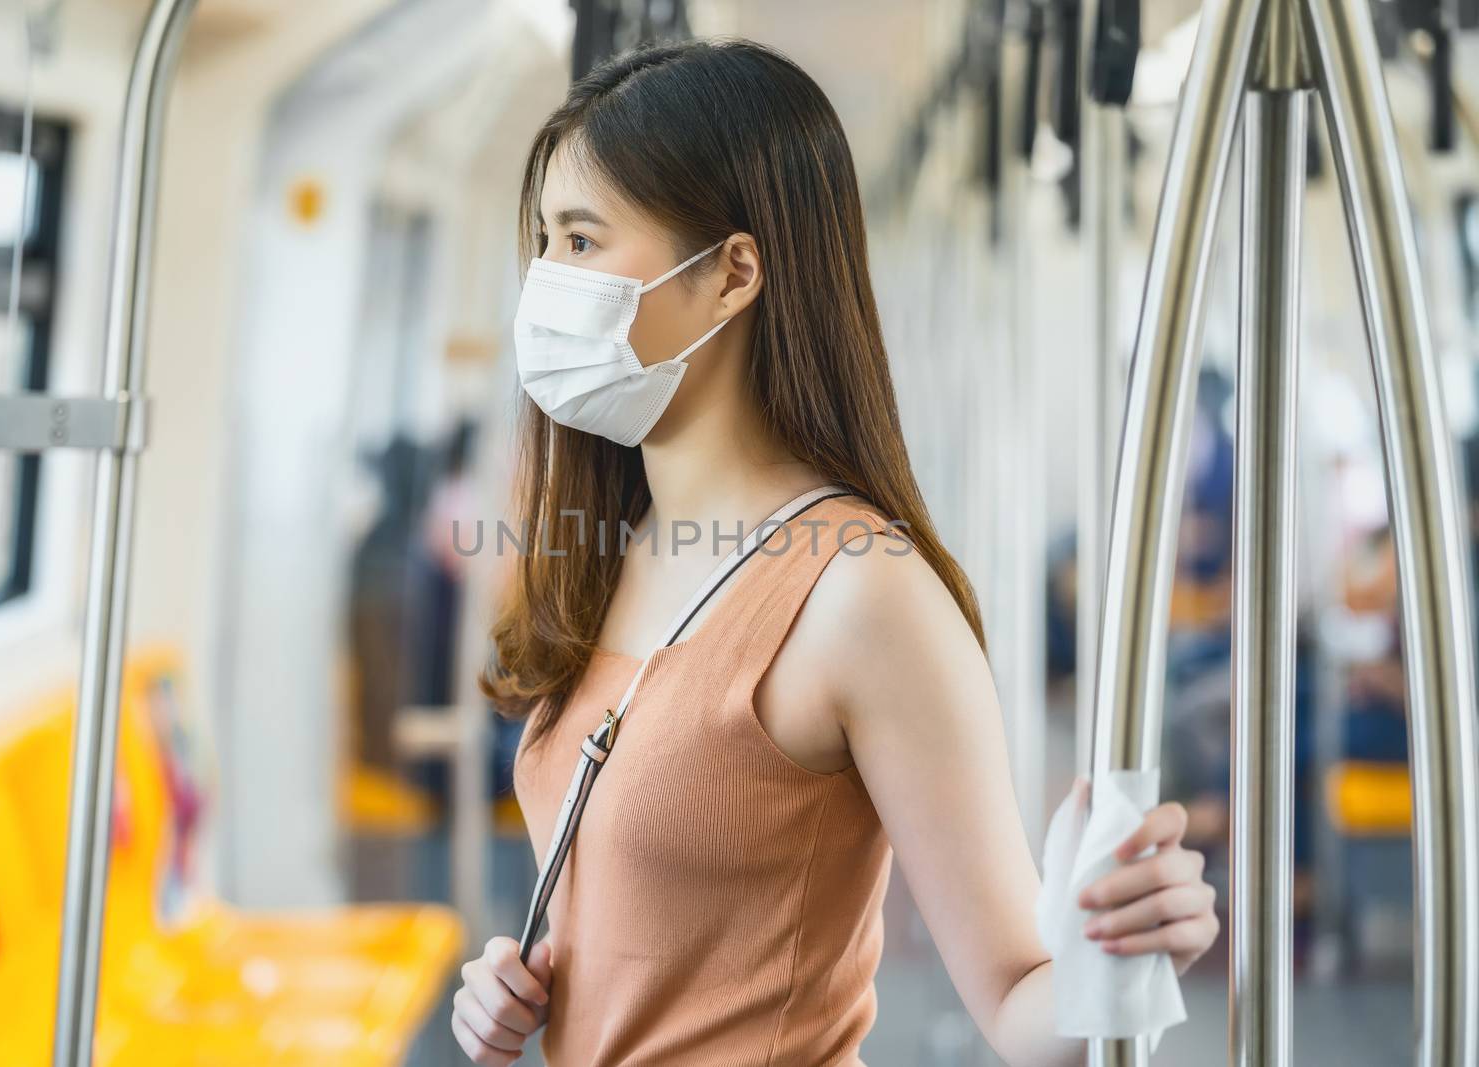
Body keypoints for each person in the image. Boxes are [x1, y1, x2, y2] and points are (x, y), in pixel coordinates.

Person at [451, 39, 1217, 1067]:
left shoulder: (862, 592)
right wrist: (519, 982)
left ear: (731, 273)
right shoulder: (616, 547)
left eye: (583, 242)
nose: (547, 281)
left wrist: (1108, 951)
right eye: (543, 240)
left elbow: (1019, 1000)